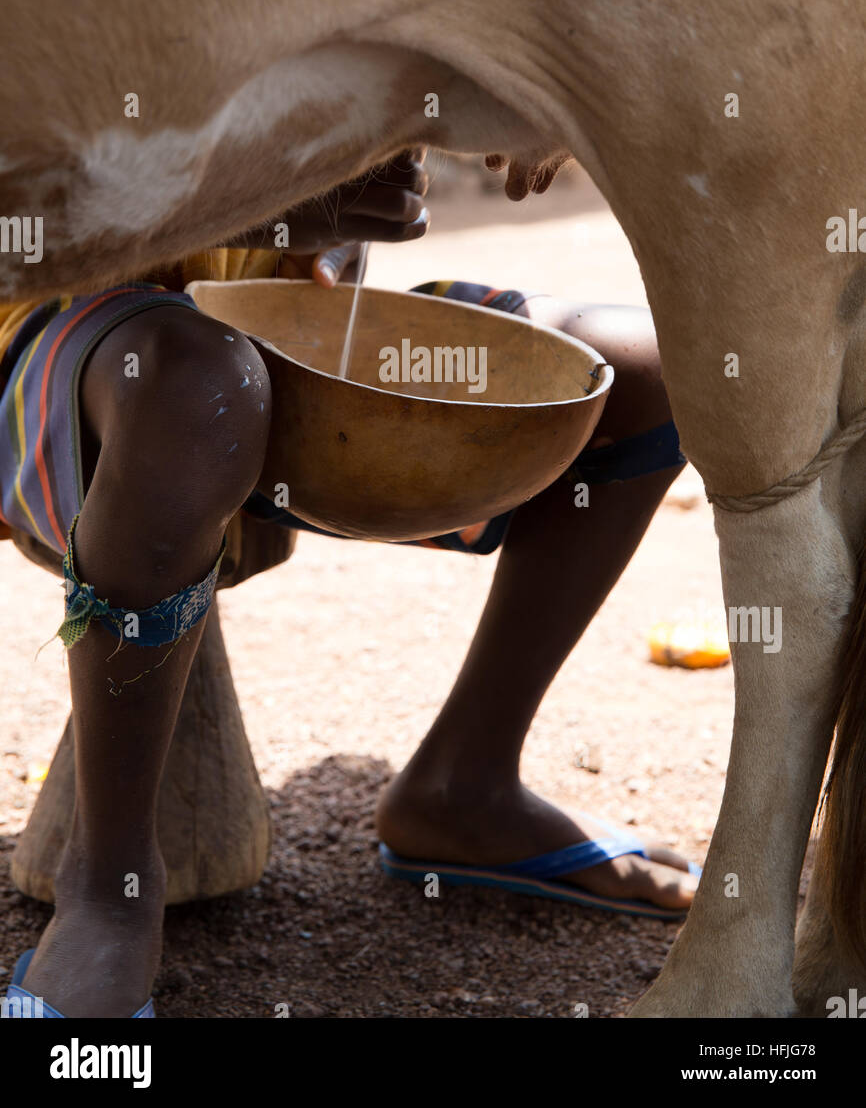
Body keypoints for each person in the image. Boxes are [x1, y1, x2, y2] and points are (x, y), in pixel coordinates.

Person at [0, 152, 695, 1019]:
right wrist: (251, 207)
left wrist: (511, 95)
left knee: (646, 377)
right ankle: (108, 890)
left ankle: (462, 785)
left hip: (288, 338)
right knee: (196, 384)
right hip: (62, 344)